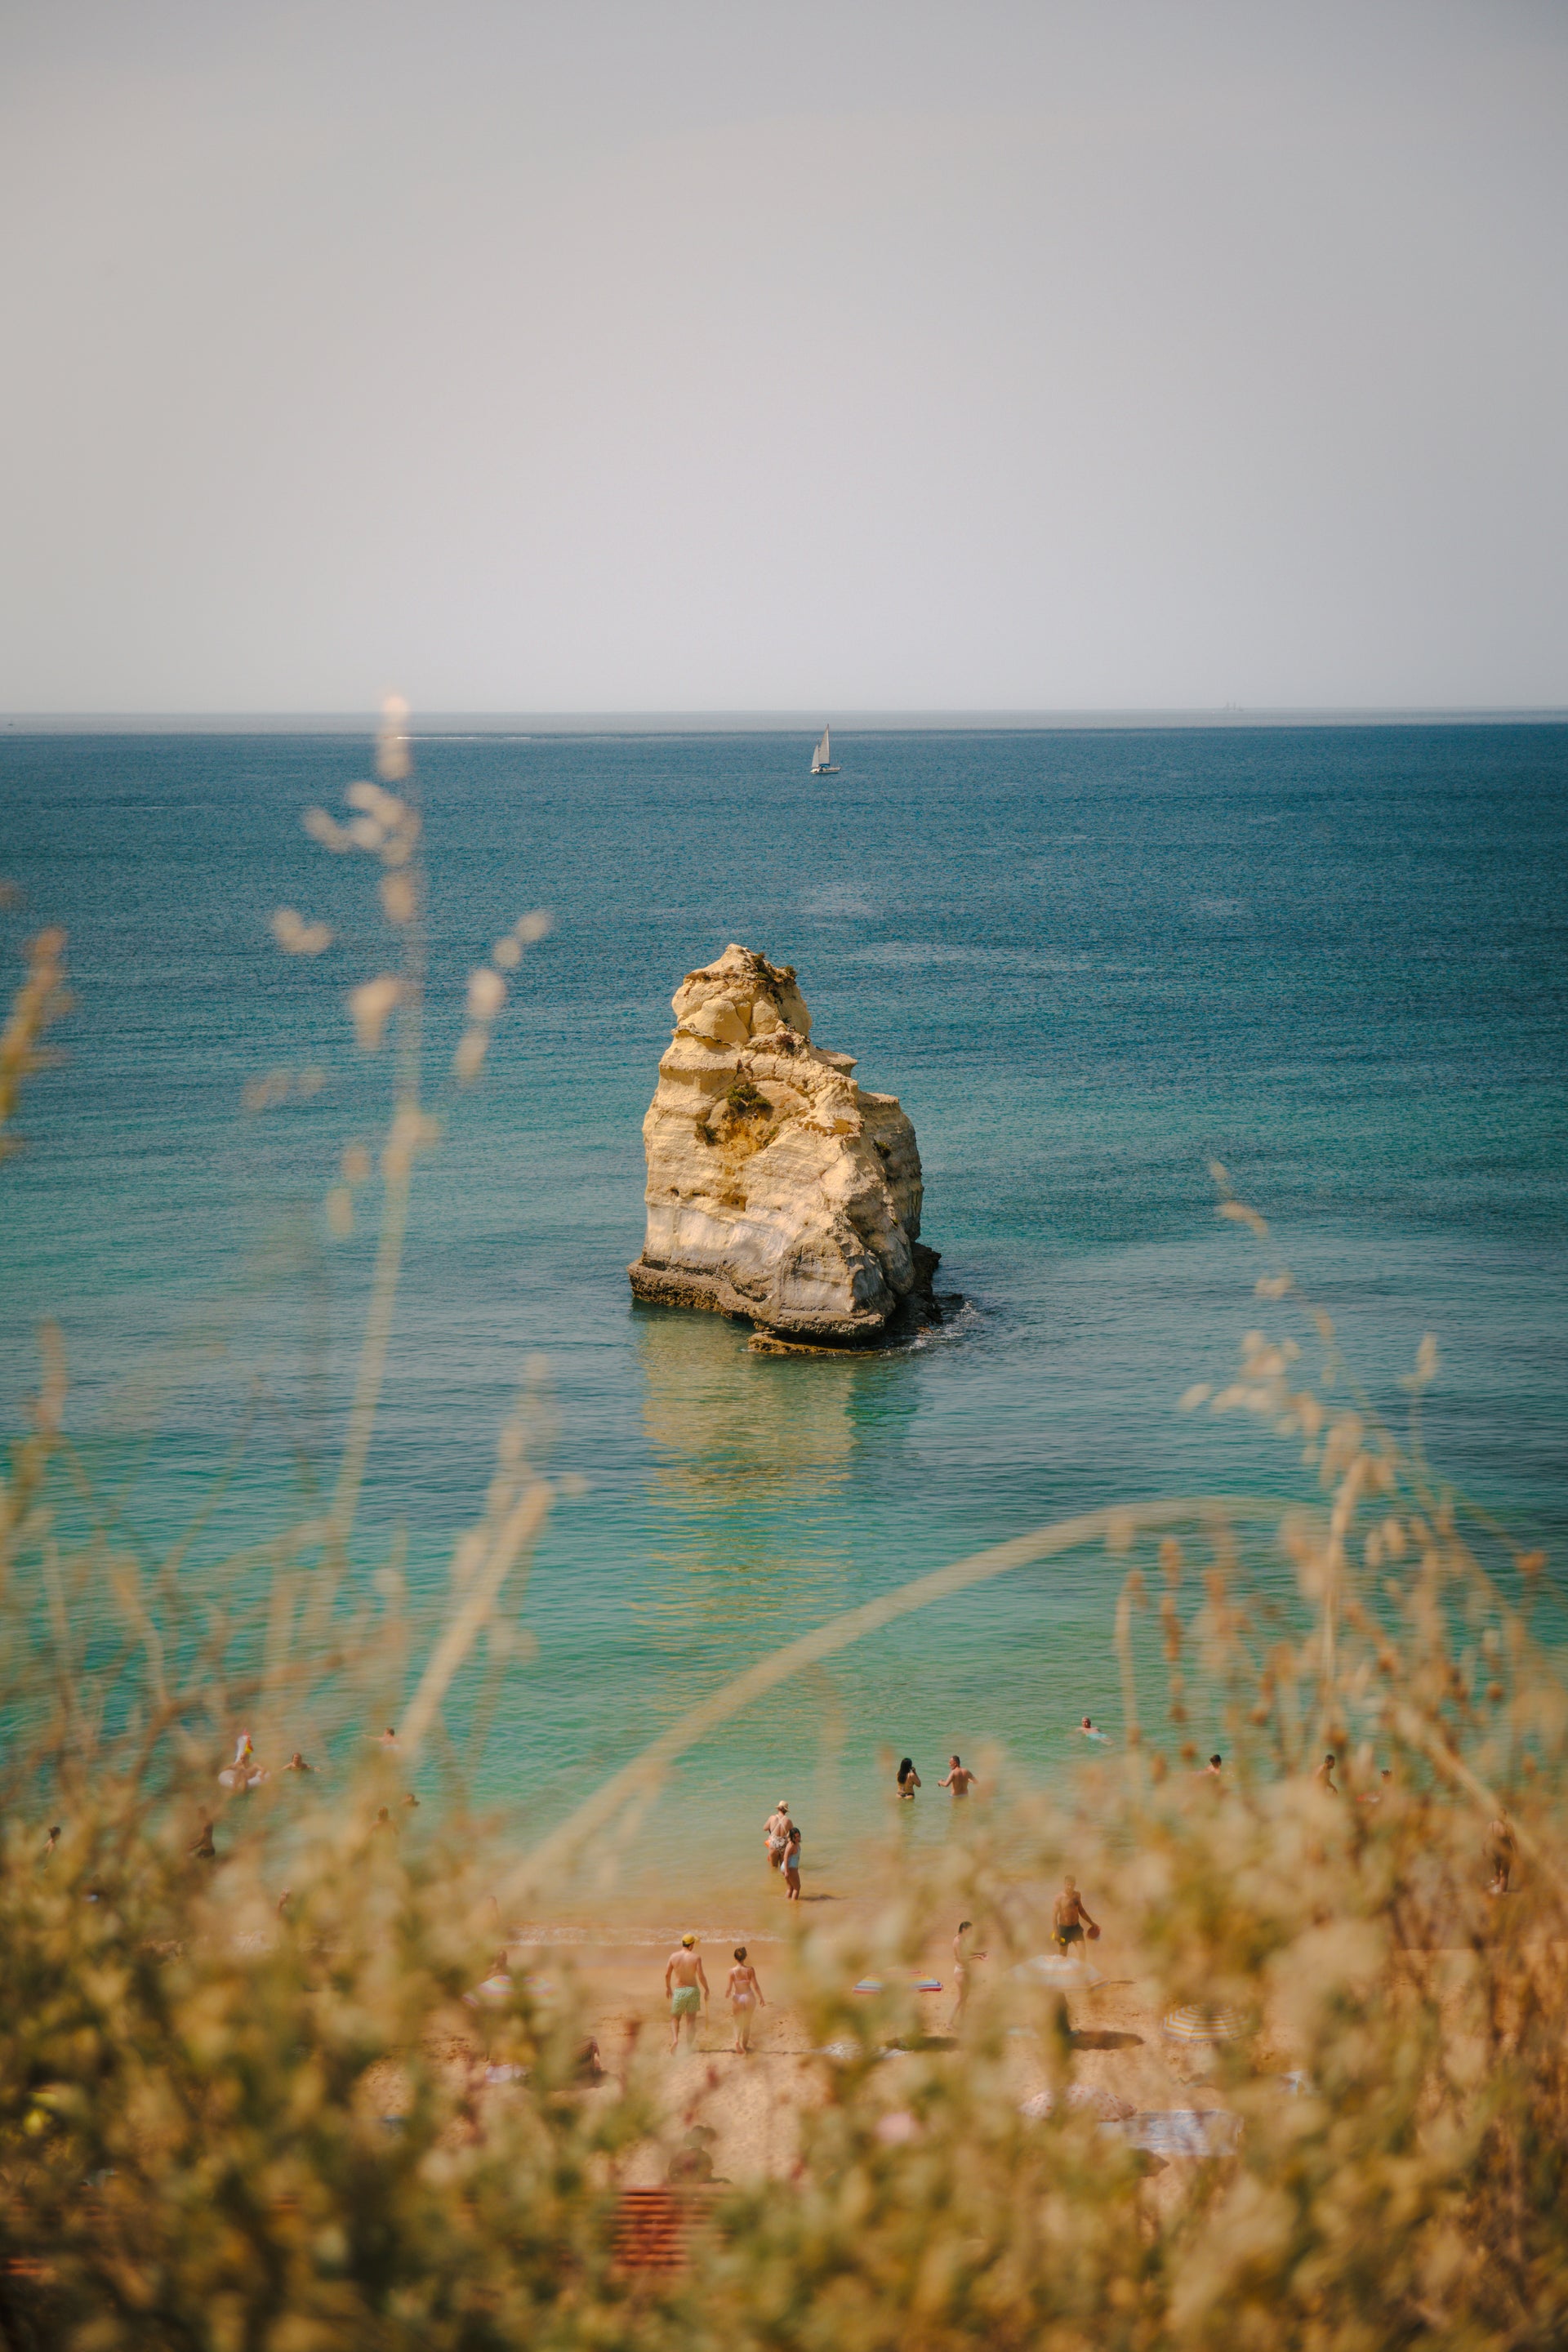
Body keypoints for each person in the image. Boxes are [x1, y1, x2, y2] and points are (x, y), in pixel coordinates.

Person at [665, 1933, 709, 2051]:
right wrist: (707, 1989)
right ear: (691, 1945)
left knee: (675, 2018)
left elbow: (667, 1974)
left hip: (679, 1990)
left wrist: (668, 1988)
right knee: (691, 2021)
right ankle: (689, 2047)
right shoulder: (696, 1957)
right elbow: (701, 1976)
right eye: (693, 1943)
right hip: (693, 1990)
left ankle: (675, 2040)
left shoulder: (673, 1956)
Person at [726, 1946, 765, 2052]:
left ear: (735, 1958)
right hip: (748, 1996)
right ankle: (744, 2046)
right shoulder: (750, 1970)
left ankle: (737, 2041)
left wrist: (728, 1993)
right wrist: (761, 1997)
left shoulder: (731, 1972)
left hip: (737, 1997)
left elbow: (729, 1988)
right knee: (747, 2023)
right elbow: (755, 1985)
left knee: (737, 2022)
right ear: (745, 1957)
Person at [951, 1919, 986, 2029]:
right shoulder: (958, 1941)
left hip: (965, 1971)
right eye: (969, 1931)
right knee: (961, 1998)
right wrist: (976, 1956)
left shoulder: (963, 1939)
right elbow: (961, 1958)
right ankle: (949, 2023)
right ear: (964, 1929)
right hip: (960, 1971)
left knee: (964, 1998)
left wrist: (979, 1954)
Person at [1053, 1875, 1100, 1950]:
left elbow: (1081, 1911)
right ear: (1064, 1884)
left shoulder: (1077, 1895)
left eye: (1072, 1885)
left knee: (1082, 1952)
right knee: (1062, 1956)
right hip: (1064, 1929)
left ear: (1075, 1885)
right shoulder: (1059, 1898)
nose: (1070, 1887)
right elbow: (1054, 1915)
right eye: (1068, 1885)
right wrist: (1056, 1931)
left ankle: (1082, 1962)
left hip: (1076, 1928)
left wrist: (1091, 1923)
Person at [1486, 1811, 1517, 1895]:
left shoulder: (1491, 1825)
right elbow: (1513, 1840)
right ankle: (1502, 1893)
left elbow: (1487, 1839)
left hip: (1494, 1850)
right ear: (1505, 1816)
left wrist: (1484, 1849)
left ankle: (1496, 1891)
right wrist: (1517, 1851)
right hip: (1506, 1851)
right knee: (1505, 1873)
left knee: (1497, 1870)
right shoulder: (1508, 1826)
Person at [764, 1799, 791, 1873]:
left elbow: (765, 1828)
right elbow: (792, 1834)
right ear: (786, 1811)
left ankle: (774, 1883)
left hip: (773, 1844)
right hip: (784, 1845)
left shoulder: (772, 1818)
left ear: (778, 1808)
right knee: (783, 1869)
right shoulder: (788, 1821)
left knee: (774, 1869)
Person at [783, 1824, 803, 1900]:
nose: (798, 1838)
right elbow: (785, 1857)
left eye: (799, 1836)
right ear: (792, 1837)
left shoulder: (795, 1842)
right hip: (789, 1868)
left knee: (790, 1888)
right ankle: (794, 1907)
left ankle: (787, 1904)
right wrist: (786, 1871)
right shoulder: (791, 1845)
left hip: (788, 1867)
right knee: (797, 1888)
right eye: (796, 1837)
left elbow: (788, 1834)